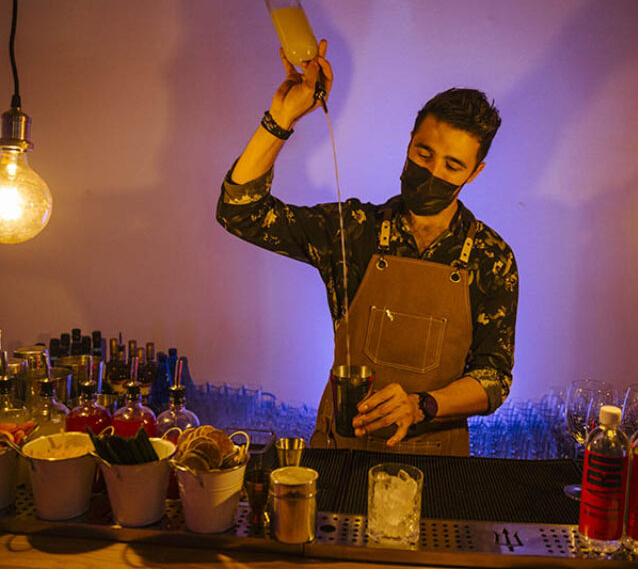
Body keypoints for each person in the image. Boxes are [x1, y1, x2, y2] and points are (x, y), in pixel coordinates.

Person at [216, 40, 518, 455]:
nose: (431, 172)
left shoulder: (491, 257)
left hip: (439, 462)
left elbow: (494, 378)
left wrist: (421, 405)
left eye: (452, 166)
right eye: (423, 153)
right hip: (342, 449)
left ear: (475, 172)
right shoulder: (355, 230)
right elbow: (241, 212)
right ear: (409, 141)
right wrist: (282, 117)